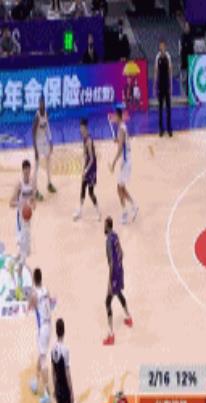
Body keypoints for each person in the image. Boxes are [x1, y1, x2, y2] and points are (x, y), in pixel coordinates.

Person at [103, 216, 133, 345]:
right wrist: (119, 267)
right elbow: (122, 253)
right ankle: (129, 318)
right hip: (120, 270)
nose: (103, 228)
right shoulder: (115, 236)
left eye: (104, 225)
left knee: (107, 302)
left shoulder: (108, 241)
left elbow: (111, 263)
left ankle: (111, 335)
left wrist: (110, 281)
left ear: (107, 226)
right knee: (119, 293)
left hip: (114, 273)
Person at [9, 160, 36, 301]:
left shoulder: (32, 182)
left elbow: (33, 199)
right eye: (25, 170)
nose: (27, 172)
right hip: (20, 222)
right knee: (24, 257)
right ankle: (19, 288)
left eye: (28, 170)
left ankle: (12, 264)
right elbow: (10, 202)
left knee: (25, 253)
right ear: (22, 170)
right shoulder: (19, 184)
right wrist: (20, 204)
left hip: (28, 222)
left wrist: (32, 204)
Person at [29, 268, 55, 403]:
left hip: (43, 329)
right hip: (49, 325)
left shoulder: (34, 293)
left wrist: (29, 296)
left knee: (43, 359)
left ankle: (47, 394)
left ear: (34, 279)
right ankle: (36, 381)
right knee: (41, 353)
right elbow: (51, 303)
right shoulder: (46, 290)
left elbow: (30, 307)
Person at [110, 108, 139, 225]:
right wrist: (118, 140)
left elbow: (120, 149)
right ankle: (133, 206)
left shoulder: (121, 129)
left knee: (119, 188)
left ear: (119, 117)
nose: (113, 118)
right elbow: (123, 143)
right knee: (121, 188)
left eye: (115, 116)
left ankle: (126, 213)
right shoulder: (123, 127)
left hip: (125, 161)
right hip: (126, 160)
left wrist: (113, 163)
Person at [73, 119, 101, 221]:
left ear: (85, 128)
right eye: (80, 128)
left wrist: (86, 170)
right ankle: (80, 211)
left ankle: (98, 212)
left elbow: (92, 158)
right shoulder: (84, 138)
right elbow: (85, 155)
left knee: (90, 192)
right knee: (82, 188)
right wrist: (83, 166)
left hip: (92, 167)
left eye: (81, 128)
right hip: (87, 165)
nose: (80, 129)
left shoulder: (89, 140)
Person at [51, 318, 74, 403]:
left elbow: (53, 371)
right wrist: (71, 391)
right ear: (64, 331)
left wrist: (55, 388)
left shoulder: (53, 349)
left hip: (58, 388)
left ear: (56, 331)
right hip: (65, 389)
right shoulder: (65, 350)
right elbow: (67, 372)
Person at [32, 96, 56, 201]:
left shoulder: (46, 113)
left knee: (49, 161)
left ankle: (49, 184)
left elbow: (48, 128)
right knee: (36, 167)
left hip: (45, 141)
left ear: (44, 103)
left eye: (43, 103)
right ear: (38, 104)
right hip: (38, 142)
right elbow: (33, 133)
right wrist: (35, 150)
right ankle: (35, 191)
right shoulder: (37, 116)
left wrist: (51, 141)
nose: (42, 104)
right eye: (40, 103)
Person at [154, 40, 173, 137]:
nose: (162, 47)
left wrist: (171, 85)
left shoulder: (168, 56)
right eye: (160, 46)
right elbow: (156, 72)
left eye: (163, 46)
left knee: (168, 108)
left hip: (166, 84)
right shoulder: (157, 57)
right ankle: (161, 129)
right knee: (160, 108)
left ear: (165, 47)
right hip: (160, 85)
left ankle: (169, 129)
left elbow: (170, 72)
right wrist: (155, 86)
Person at [180, 22, 194, 96]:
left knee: (190, 78)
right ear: (184, 28)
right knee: (184, 79)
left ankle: (189, 92)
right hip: (184, 60)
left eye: (188, 27)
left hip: (191, 60)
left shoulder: (191, 36)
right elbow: (184, 46)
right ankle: (183, 94)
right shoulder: (182, 37)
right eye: (186, 27)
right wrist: (187, 46)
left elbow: (191, 46)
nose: (187, 28)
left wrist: (188, 45)